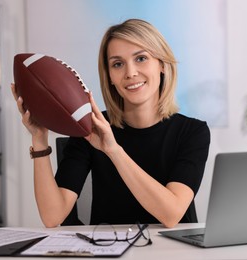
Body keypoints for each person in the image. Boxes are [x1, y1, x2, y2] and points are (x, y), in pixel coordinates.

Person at [11, 18, 210, 228]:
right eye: (118, 64)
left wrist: (113, 150)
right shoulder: (90, 129)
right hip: (109, 250)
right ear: (110, 77)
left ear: (161, 64)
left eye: (141, 58)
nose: (130, 73)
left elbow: (171, 215)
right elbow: (52, 217)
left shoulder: (192, 132)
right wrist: (39, 140)